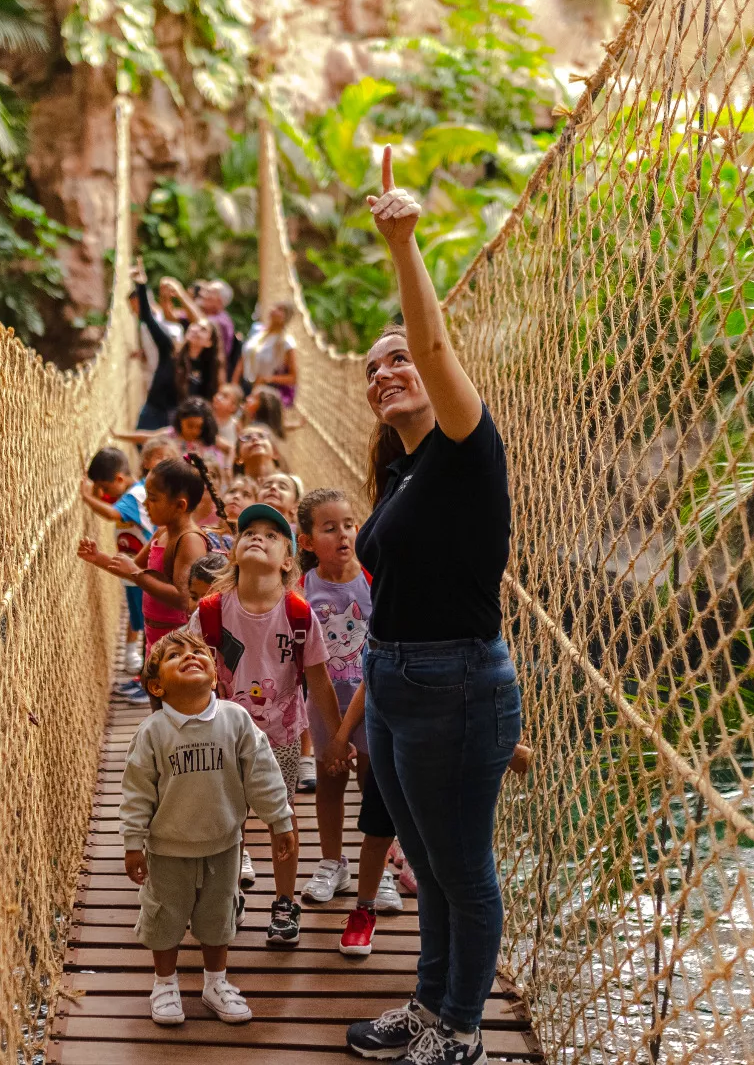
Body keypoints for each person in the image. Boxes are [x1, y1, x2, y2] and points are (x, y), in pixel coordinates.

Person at [343, 148, 521, 1065]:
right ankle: (428, 1003)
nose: (387, 372)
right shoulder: (403, 472)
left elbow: (438, 346)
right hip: (400, 682)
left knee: (462, 867)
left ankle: (461, 1028)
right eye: (374, 370)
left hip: (456, 680)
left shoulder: (464, 443)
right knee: (430, 865)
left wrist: (402, 247)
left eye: (399, 360)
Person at [121, 630, 299, 1026]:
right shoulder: (153, 732)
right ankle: (164, 983)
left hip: (224, 843)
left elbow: (262, 773)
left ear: (215, 676)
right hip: (167, 849)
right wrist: (134, 842)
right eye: (174, 655)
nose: (190, 656)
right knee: (164, 917)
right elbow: (136, 792)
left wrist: (279, 818)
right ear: (156, 685)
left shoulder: (235, 719)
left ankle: (215, 983)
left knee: (218, 919)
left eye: (199, 652)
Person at [187, 503, 338, 949]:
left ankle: (285, 901)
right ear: (234, 551)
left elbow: (319, 681)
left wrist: (337, 738)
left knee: (282, 818)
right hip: (223, 736)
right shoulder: (212, 611)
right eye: (249, 531)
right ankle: (226, 891)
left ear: (288, 560)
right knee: (225, 818)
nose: (258, 537)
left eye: (272, 535)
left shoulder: (297, 614)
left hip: (282, 739)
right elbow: (190, 666)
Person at [293, 490, 405, 955]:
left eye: (349, 524)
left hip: (373, 704)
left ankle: (373, 876)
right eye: (329, 528)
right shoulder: (304, 590)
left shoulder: (376, 582)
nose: (343, 535)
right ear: (307, 540)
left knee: (373, 785)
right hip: (324, 705)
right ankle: (332, 862)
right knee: (329, 781)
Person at [77, 456, 219, 657]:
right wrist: (97, 557)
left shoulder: (189, 541)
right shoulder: (162, 531)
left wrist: (136, 574)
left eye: (153, 498)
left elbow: (183, 598)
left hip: (178, 641)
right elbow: (132, 567)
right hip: (155, 633)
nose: (145, 504)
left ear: (180, 505)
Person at [82, 447, 153, 696]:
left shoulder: (133, 497)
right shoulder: (133, 490)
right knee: (141, 620)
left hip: (139, 573)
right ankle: (143, 673)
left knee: (148, 624)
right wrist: (96, 488)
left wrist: (86, 496)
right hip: (135, 572)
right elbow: (108, 500)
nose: (103, 493)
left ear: (119, 479)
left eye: (105, 486)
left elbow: (110, 512)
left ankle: (148, 678)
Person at [133, 264, 184, 431]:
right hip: (153, 407)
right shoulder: (168, 348)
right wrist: (141, 285)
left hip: (174, 413)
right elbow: (147, 318)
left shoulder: (198, 363)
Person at [243, 302, 299, 405]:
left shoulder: (286, 342)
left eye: (281, 310)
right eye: (275, 307)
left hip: (264, 391)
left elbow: (293, 378)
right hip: (245, 385)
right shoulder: (258, 334)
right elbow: (243, 359)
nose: (274, 310)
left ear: (286, 317)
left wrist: (267, 379)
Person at [213, 383, 244, 449]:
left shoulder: (235, 424)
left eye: (225, 396)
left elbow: (240, 446)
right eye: (218, 393)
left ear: (233, 407)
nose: (218, 397)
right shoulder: (207, 418)